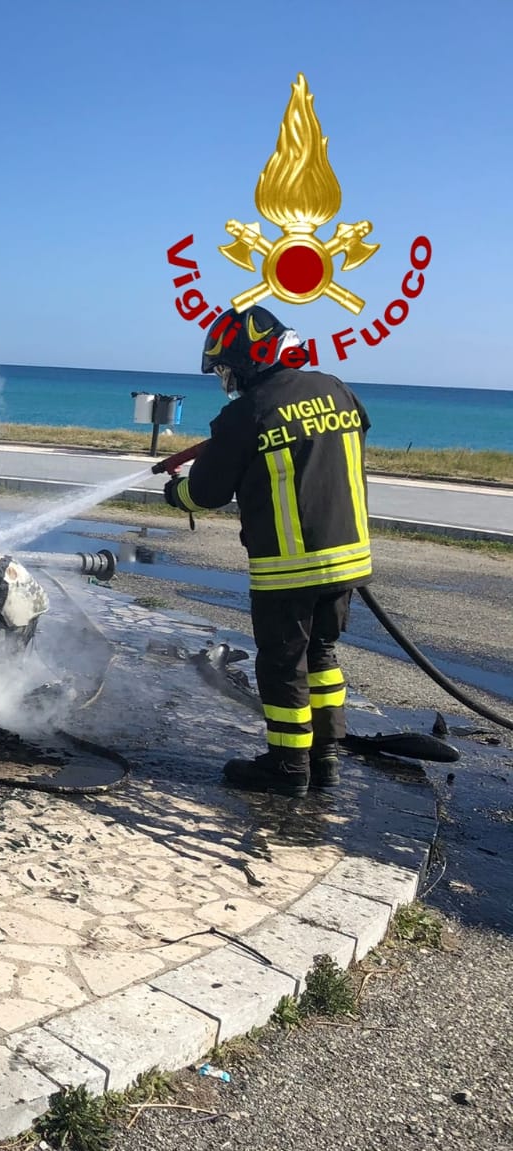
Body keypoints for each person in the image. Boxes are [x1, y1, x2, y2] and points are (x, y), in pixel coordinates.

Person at [164, 304, 372, 797]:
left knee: (282, 665)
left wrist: (177, 494)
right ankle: (325, 758)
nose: (227, 378)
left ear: (250, 358)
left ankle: (286, 767)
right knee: (321, 655)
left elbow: (208, 493)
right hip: (348, 557)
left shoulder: (245, 413)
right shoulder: (336, 389)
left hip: (289, 566)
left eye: (227, 367)